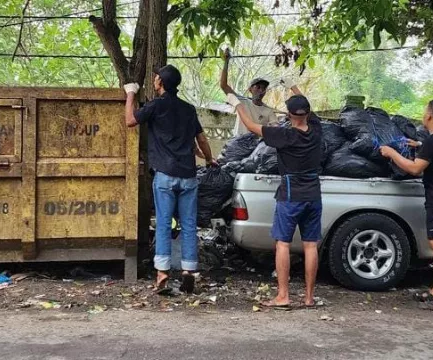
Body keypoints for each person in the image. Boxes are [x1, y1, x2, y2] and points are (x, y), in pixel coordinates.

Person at [226, 80, 322, 308]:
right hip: (314, 194)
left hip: (291, 194)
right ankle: (309, 298)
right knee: (310, 246)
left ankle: (283, 296)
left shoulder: (285, 135)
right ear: (307, 113)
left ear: (288, 115)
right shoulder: (316, 129)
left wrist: (237, 103)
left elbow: (250, 126)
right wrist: (295, 87)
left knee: (283, 244)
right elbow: (308, 107)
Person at [123, 65, 217, 295]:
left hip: (165, 176)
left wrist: (130, 94)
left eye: (156, 78)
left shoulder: (155, 106)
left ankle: (163, 272)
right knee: (188, 225)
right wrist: (209, 159)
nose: (154, 80)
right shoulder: (188, 109)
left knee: (164, 224)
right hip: (188, 177)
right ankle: (188, 270)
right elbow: (201, 141)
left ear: (161, 83)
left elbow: (130, 121)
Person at [380, 99, 433, 313]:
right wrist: (419, 146)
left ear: (429, 116)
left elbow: (415, 168)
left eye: (424, 112)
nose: (422, 115)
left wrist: (392, 153)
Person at [220, 48, 279, 136]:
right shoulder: (241, 101)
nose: (261, 91)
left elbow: (276, 129)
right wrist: (226, 62)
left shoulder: (268, 111)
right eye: (258, 87)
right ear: (250, 89)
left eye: (263, 88)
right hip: (238, 144)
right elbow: (223, 85)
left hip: (256, 147)